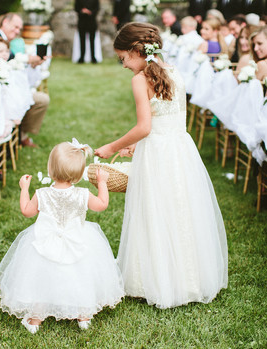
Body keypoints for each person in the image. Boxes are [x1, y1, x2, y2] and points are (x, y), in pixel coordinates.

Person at [94, 22, 228, 308]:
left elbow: (144, 127)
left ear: (135, 50)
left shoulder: (140, 80)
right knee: (180, 208)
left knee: (154, 209)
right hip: (179, 149)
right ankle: (189, 278)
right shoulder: (175, 72)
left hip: (157, 152)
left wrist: (112, 146)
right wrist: (138, 143)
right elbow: (166, 121)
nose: (124, 66)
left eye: (123, 59)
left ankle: (153, 279)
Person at [0, 140, 124, 332]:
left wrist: (23, 189)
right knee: (79, 276)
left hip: (44, 243)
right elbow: (102, 204)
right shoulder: (83, 194)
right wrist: (102, 183)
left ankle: (36, 319)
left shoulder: (42, 194)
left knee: (42, 278)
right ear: (79, 174)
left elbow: (27, 211)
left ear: (50, 169)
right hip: (78, 240)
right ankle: (83, 315)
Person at [0, 12, 50, 148]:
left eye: (19, 29)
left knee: (38, 99)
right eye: (15, 27)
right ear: (5, 22)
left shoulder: (11, 43)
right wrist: (28, 59)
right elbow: (10, 58)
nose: (17, 31)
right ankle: (18, 137)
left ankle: (22, 134)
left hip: (13, 88)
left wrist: (32, 63)